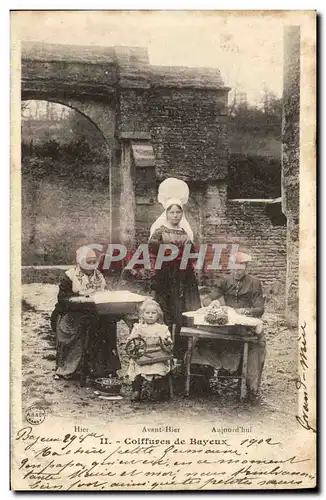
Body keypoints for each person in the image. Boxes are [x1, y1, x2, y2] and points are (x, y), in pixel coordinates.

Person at [191, 251, 266, 402]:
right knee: (203, 339)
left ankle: (251, 388)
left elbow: (260, 309)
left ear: (246, 268)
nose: (236, 272)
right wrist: (213, 303)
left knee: (257, 345)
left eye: (240, 269)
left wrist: (244, 311)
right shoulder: (224, 280)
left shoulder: (255, 282)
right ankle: (200, 383)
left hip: (246, 323)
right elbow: (207, 300)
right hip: (228, 323)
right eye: (233, 269)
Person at [148, 178, 201, 358]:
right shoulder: (159, 231)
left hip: (183, 276)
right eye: (172, 212)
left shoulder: (185, 233)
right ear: (167, 213)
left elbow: (191, 255)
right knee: (166, 308)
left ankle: (182, 350)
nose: (176, 216)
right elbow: (153, 254)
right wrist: (157, 273)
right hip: (165, 275)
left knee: (183, 309)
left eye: (179, 212)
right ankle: (162, 348)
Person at [52, 246, 121, 381]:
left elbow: (105, 290)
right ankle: (75, 368)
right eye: (88, 261)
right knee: (82, 328)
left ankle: (101, 368)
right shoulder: (69, 276)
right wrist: (82, 300)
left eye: (93, 261)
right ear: (80, 261)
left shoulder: (99, 275)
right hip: (74, 312)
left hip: (96, 311)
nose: (91, 265)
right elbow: (62, 299)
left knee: (107, 326)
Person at [126, 299, 173, 402]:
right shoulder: (138, 327)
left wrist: (167, 340)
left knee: (159, 368)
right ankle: (136, 391)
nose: (150, 315)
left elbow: (168, 340)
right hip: (143, 354)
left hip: (158, 355)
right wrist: (132, 344)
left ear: (158, 315)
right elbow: (131, 340)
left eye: (153, 313)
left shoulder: (162, 328)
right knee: (137, 367)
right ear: (142, 315)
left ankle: (157, 391)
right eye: (147, 313)